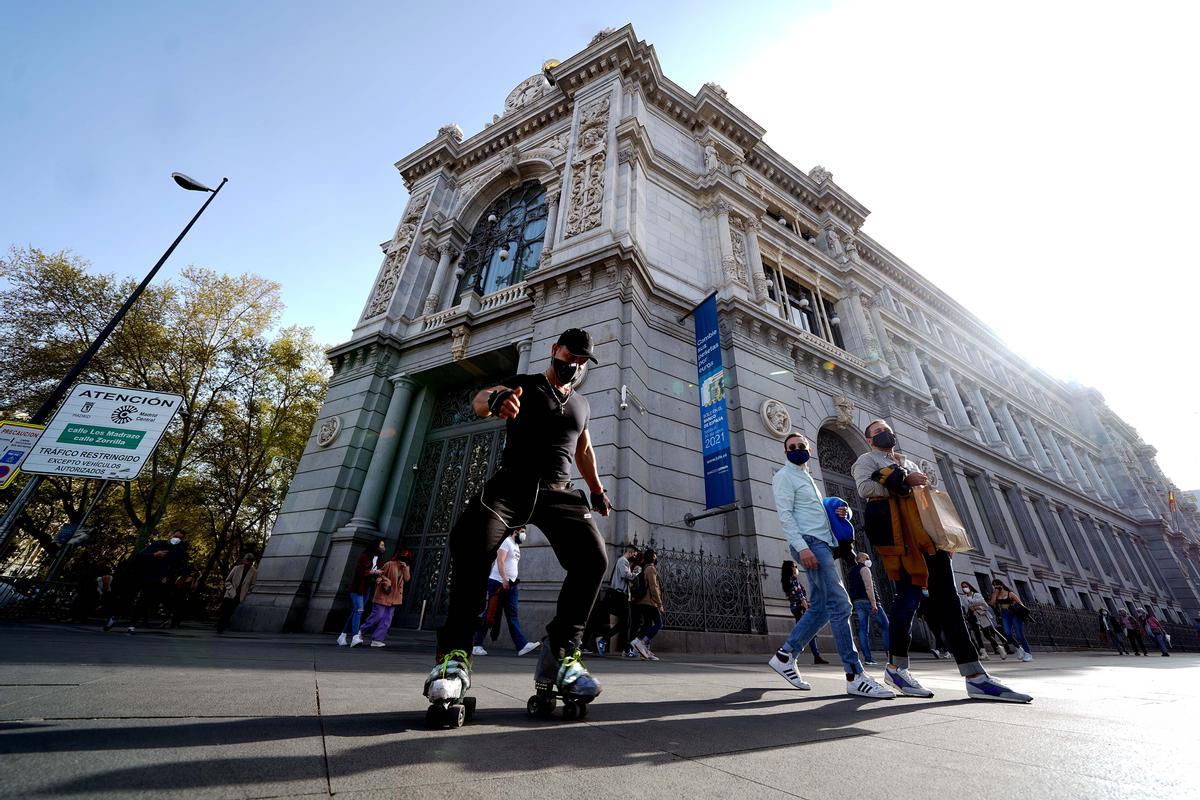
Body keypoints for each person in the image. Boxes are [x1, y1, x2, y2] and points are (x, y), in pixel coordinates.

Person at [425, 328, 609, 717]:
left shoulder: (582, 404)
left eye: (581, 361)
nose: (573, 366)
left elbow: (584, 449)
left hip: (559, 491)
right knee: (472, 542)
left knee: (593, 559)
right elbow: (479, 400)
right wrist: (495, 400)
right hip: (512, 485)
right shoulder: (524, 385)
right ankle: (455, 656)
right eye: (569, 356)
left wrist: (596, 490)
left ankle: (561, 654)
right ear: (554, 349)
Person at [853, 418, 1031, 702]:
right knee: (907, 602)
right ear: (870, 440)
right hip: (902, 542)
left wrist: (942, 537)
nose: (885, 434)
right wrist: (900, 481)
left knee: (949, 604)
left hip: (928, 541)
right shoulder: (866, 460)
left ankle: (975, 676)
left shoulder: (909, 462)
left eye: (887, 430)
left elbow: (926, 501)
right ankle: (897, 667)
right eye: (878, 432)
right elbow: (865, 489)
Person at [766, 431, 894, 699]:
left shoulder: (807, 477)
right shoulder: (784, 476)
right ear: (785, 452)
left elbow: (815, 511)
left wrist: (841, 511)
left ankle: (785, 655)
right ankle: (854, 674)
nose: (798, 448)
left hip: (822, 542)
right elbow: (786, 515)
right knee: (841, 604)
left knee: (822, 608)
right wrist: (802, 547)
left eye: (802, 445)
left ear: (809, 449)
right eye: (792, 446)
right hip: (811, 544)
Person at [105, 529, 190, 634]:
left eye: (180, 538)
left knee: (144, 601)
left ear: (183, 539)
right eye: (175, 536)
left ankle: (132, 625)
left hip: (155, 578)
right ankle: (114, 617)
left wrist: (167, 576)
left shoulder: (179, 550)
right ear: (170, 535)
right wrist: (154, 555)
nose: (176, 539)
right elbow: (140, 556)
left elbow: (177, 566)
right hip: (140, 574)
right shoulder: (158, 544)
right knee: (128, 597)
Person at [472, 529, 540, 656]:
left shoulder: (516, 545)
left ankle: (522, 645)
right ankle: (476, 644)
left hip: (511, 584)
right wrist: (504, 579)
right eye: (522, 531)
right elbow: (500, 560)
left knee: (512, 614)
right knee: (490, 614)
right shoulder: (506, 542)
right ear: (515, 531)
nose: (524, 534)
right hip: (498, 582)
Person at [589, 543, 641, 658]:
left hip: (622, 596)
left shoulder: (623, 562)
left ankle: (605, 640)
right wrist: (636, 572)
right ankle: (624, 648)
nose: (635, 556)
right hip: (620, 596)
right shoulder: (623, 561)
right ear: (630, 552)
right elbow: (626, 575)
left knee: (625, 623)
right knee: (626, 622)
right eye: (635, 553)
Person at [358, 547, 412, 647]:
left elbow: (407, 579)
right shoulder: (390, 564)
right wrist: (385, 580)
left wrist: (405, 568)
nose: (403, 560)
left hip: (394, 598)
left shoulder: (406, 567)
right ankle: (361, 631)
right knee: (377, 616)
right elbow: (380, 574)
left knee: (387, 620)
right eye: (402, 557)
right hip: (383, 594)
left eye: (406, 558)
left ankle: (377, 639)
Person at [338, 539, 385, 647]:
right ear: (376, 545)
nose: (383, 547)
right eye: (381, 545)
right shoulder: (364, 556)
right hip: (357, 588)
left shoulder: (379, 559)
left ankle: (342, 635)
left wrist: (378, 577)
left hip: (367, 588)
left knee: (356, 611)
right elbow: (359, 572)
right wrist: (373, 572)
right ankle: (355, 637)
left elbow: (378, 572)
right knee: (359, 609)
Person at [846, 551, 889, 665]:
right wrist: (874, 603)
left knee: (863, 630)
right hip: (868, 601)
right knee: (886, 626)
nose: (868, 560)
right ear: (860, 559)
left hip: (858, 602)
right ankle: (890, 654)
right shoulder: (864, 569)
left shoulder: (851, 571)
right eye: (867, 558)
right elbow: (869, 587)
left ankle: (868, 658)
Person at [780, 560, 828, 664]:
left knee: (804, 631)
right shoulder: (793, 581)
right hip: (801, 608)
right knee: (805, 632)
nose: (796, 568)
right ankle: (788, 653)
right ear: (790, 568)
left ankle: (815, 655)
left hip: (795, 609)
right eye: (794, 566)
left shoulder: (787, 581)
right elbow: (801, 597)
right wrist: (807, 609)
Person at [630, 549, 664, 661]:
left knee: (648, 624)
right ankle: (640, 642)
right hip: (650, 601)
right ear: (651, 557)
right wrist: (659, 604)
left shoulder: (646, 568)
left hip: (645, 601)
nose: (656, 557)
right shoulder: (651, 569)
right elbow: (654, 588)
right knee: (658, 623)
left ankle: (642, 648)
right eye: (654, 555)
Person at [989, 579, 1033, 662]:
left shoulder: (1010, 593)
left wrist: (1014, 606)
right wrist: (995, 594)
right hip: (1004, 614)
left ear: (1002, 585)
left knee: (1020, 635)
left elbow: (1020, 604)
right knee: (1007, 633)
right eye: (994, 585)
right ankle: (1019, 648)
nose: (996, 587)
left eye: (997, 585)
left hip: (1014, 614)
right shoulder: (996, 594)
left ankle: (1028, 653)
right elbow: (992, 603)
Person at [962, 582, 1007, 659]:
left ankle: (999, 647)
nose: (964, 588)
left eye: (966, 586)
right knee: (977, 635)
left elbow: (985, 605)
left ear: (969, 586)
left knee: (987, 635)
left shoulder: (977, 595)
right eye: (963, 587)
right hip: (972, 617)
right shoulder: (964, 597)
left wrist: (976, 607)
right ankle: (984, 653)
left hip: (981, 616)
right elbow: (966, 607)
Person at [217, 553, 257, 634]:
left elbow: (253, 585)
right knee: (224, 610)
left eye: (251, 561)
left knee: (230, 612)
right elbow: (227, 581)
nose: (249, 563)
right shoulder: (236, 568)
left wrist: (246, 593)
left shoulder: (254, 572)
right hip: (230, 594)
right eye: (248, 561)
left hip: (239, 596)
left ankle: (222, 626)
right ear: (244, 560)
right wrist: (230, 589)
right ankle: (220, 625)